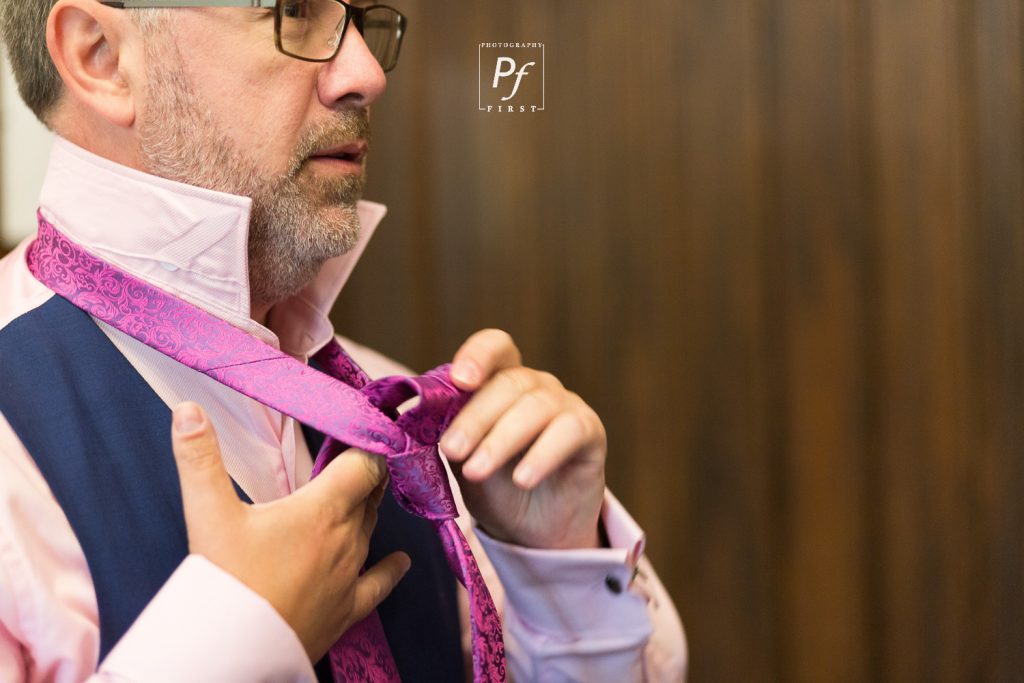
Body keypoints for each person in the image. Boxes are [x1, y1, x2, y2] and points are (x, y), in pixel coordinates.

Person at [0, 0, 687, 680]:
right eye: (294, 10)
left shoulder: (407, 433)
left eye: (358, 16)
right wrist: (228, 646)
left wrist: (558, 571)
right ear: (102, 55)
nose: (364, 72)